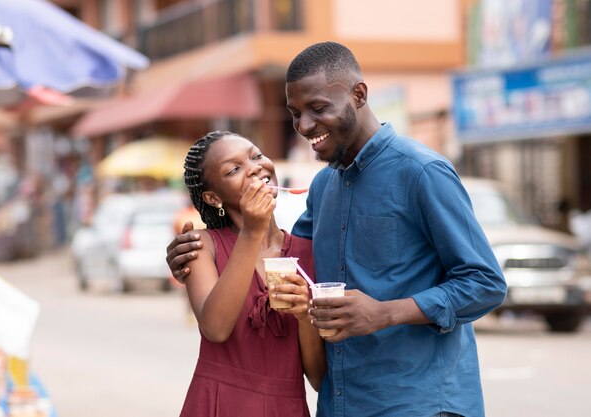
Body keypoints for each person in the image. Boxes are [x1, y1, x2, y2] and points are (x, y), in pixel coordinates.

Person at [167, 42, 507, 417]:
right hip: (342, 404)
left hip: (417, 403)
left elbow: (485, 283)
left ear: (358, 94)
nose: (305, 126)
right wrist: (191, 251)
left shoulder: (421, 172)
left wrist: (384, 313)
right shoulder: (323, 187)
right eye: (295, 113)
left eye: (318, 108)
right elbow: (276, 255)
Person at [176, 131, 325, 417]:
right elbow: (216, 328)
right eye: (234, 169)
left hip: (287, 407)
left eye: (256, 156)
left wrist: (304, 314)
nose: (255, 167)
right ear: (212, 196)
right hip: (219, 404)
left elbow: (318, 378)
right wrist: (252, 231)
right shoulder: (202, 246)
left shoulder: (310, 252)